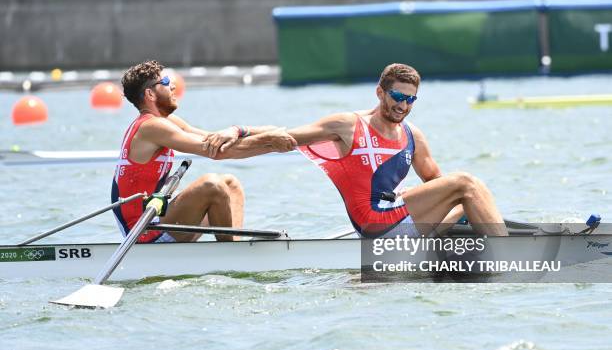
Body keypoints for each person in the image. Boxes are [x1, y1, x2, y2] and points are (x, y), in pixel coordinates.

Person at [288, 63, 507, 238]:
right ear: (380, 93)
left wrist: (410, 195)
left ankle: (484, 244)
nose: (403, 105)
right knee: (465, 182)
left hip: (394, 217)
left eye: (410, 99)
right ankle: (510, 255)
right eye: (398, 97)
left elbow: (436, 183)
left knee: (471, 197)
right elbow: (285, 137)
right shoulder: (349, 125)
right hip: (374, 225)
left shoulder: (413, 135)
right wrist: (251, 134)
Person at [112, 60, 296, 243]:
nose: (173, 86)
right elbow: (213, 150)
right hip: (143, 232)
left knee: (230, 184)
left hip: (157, 220)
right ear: (150, 94)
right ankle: (231, 255)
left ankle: (235, 246)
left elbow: (212, 138)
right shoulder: (151, 126)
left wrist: (257, 131)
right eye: (166, 82)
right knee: (211, 185)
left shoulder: (166, 121)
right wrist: (269, 141)